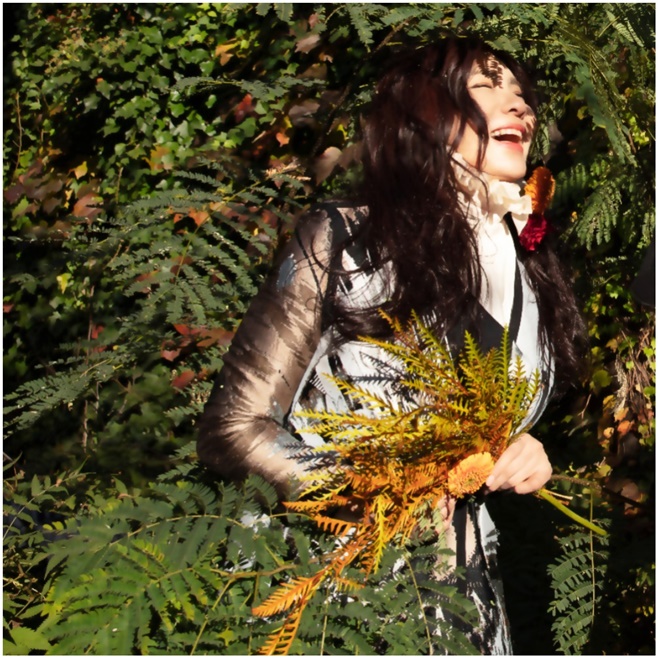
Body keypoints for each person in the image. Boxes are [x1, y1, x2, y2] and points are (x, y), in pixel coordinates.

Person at [198, 37, 587, 654]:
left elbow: (483, 434)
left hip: (460, 602)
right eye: (487, 88)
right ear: (427, 112)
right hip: (328, 598)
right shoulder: (343, 238)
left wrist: (521, 450)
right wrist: (370, 489)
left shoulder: (532, 264)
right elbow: (234, 428)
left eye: (521, 95)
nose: (520, 107)